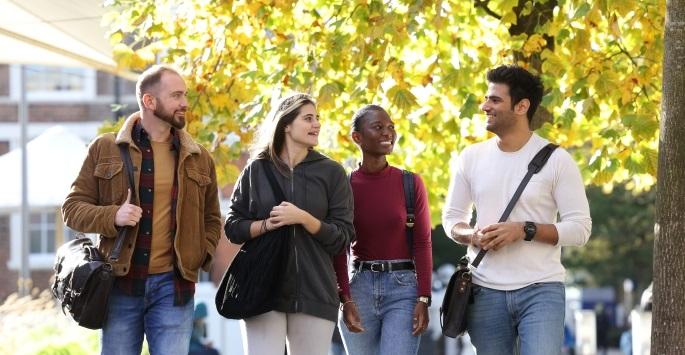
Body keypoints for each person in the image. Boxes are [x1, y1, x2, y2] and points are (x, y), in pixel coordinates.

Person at [62, 65, 222, 355]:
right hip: (121, 285)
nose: (184, 102)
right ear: (149, 101)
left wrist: (201, 254)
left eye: (184, 95)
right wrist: (114, 216)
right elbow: (72, 209)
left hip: (175, 287)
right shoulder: (105, 148)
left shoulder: (200, 157)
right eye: (176, 95)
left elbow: (212, 218)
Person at [441, 65, 592, 355]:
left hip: (542, 290)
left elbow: (580, 229)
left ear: (522, 106)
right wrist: (472, 235)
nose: (485, 106)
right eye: (487, 98)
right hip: (483, 291)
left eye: (495, 100)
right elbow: (452, 219)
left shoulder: (558, 160)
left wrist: (525, 229)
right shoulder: (470, 157)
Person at [224, 92, 355, 355]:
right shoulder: (256, 170)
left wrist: (303, 219)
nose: (316, 124)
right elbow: (232, 227)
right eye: (308, 118)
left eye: (317, 118)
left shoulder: (332, 172)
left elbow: (343, 237)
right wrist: (266, 225)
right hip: (262, 287)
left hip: (315, 291)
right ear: (286, 124)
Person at [333, 105, 433, 355]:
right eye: (378, 127)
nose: (387, 133)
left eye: (391, 127)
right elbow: (339, 248)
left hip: (403, 289)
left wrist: (423, 297)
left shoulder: (410, 182)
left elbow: (422, 242)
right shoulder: (343, 186)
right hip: (359, 288)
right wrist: (345, 298)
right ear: (357, 137)